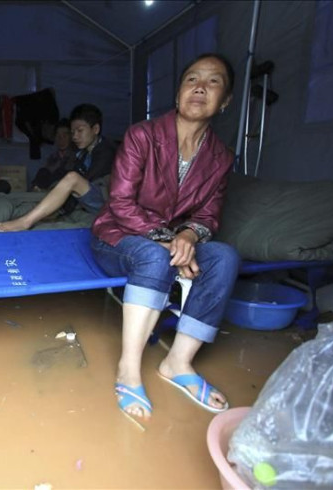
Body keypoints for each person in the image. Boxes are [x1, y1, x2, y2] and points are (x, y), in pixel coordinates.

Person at [89, 53, 239, 428]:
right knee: (153, 259)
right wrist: (171, 241)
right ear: (177, 94)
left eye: (213, 81)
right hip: (118, 235)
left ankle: (178, 363)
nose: (200, 87)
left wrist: (188, 234)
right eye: (191, 79)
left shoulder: (221, 157)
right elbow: (120, 203)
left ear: (226, 101)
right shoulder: (143, 136)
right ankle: (128, 370)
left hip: (168, 240)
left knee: (223, 257)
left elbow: (208, 215)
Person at [0, 103, 117, 232]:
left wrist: (60, 210)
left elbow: (85, 180)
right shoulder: (84, 151)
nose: (74, 137)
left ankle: (25, 222)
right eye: (73, 132)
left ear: (95, 129)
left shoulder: (106, 151)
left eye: (80, 131)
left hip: (108, 202)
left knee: (72, 179)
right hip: (92, 197)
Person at [30, 118, 77, 191]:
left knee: (60, 172)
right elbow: (46, 172)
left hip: (67, 191)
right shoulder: (53, 156)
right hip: (49, 190)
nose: (61, 139)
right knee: (43, 172)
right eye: (58, 136)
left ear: (71, 137)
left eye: (65, 136)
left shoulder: (77, 155)